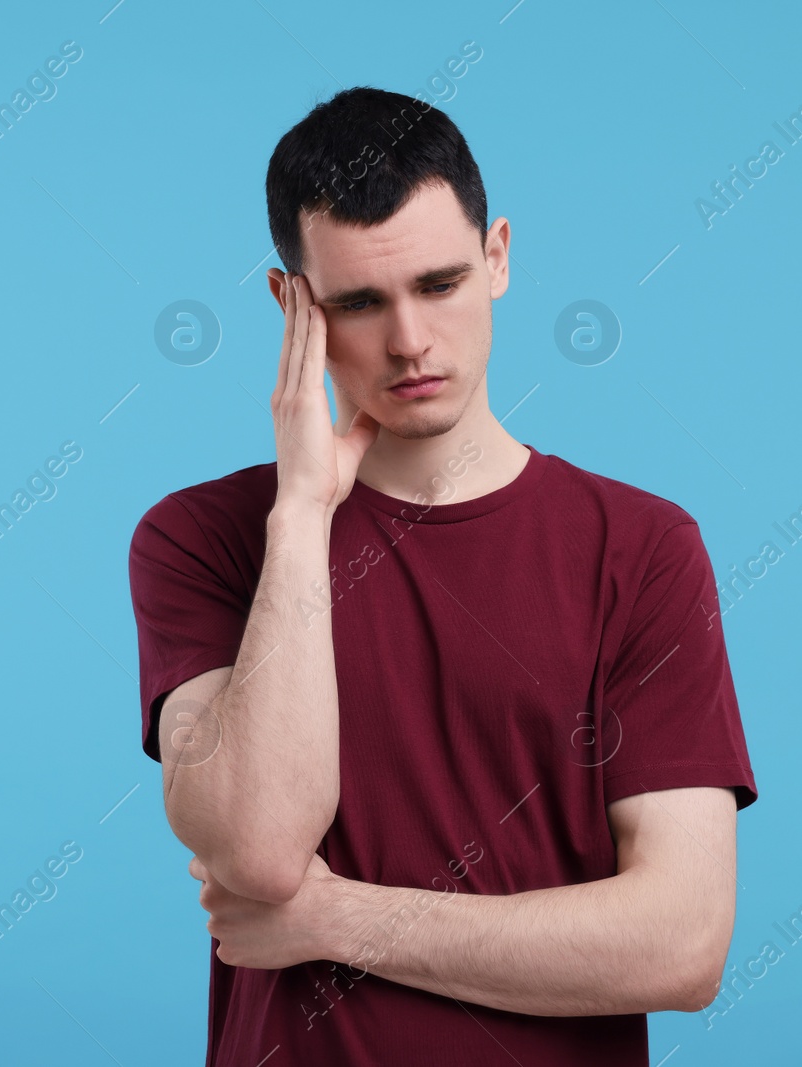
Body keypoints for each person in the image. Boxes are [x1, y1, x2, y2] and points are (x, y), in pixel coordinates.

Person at [128, 85, 758, 1066]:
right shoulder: (202, 537)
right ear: (292, 304)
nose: (410, 340)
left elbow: (680, 943)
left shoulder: (642, 548)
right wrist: (300, 517)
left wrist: (342, 919)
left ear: (497, 257)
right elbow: (255, 847)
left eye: (440, 283)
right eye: (358, 301)